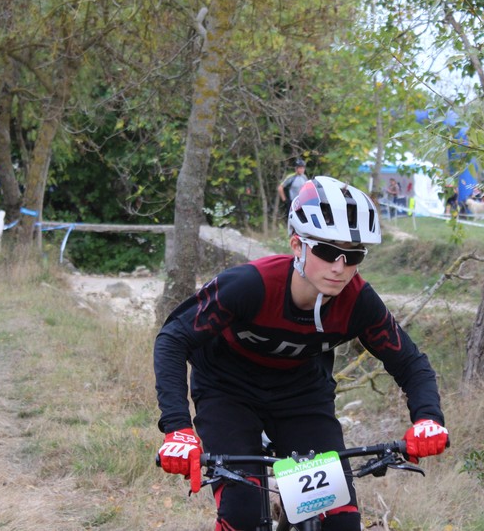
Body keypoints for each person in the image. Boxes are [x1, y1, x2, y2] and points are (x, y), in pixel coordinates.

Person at [155, 176, 448, 530]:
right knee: (243, 513)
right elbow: (173, 338)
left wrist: (428, 418)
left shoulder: (358, 302)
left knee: (339, 523)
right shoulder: (251, 285)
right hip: (227, 391)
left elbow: (410, 362)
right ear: (297, 245)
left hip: (301, 398)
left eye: (353, 255)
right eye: (327, 251)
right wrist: (178, 429)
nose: (339, 267)